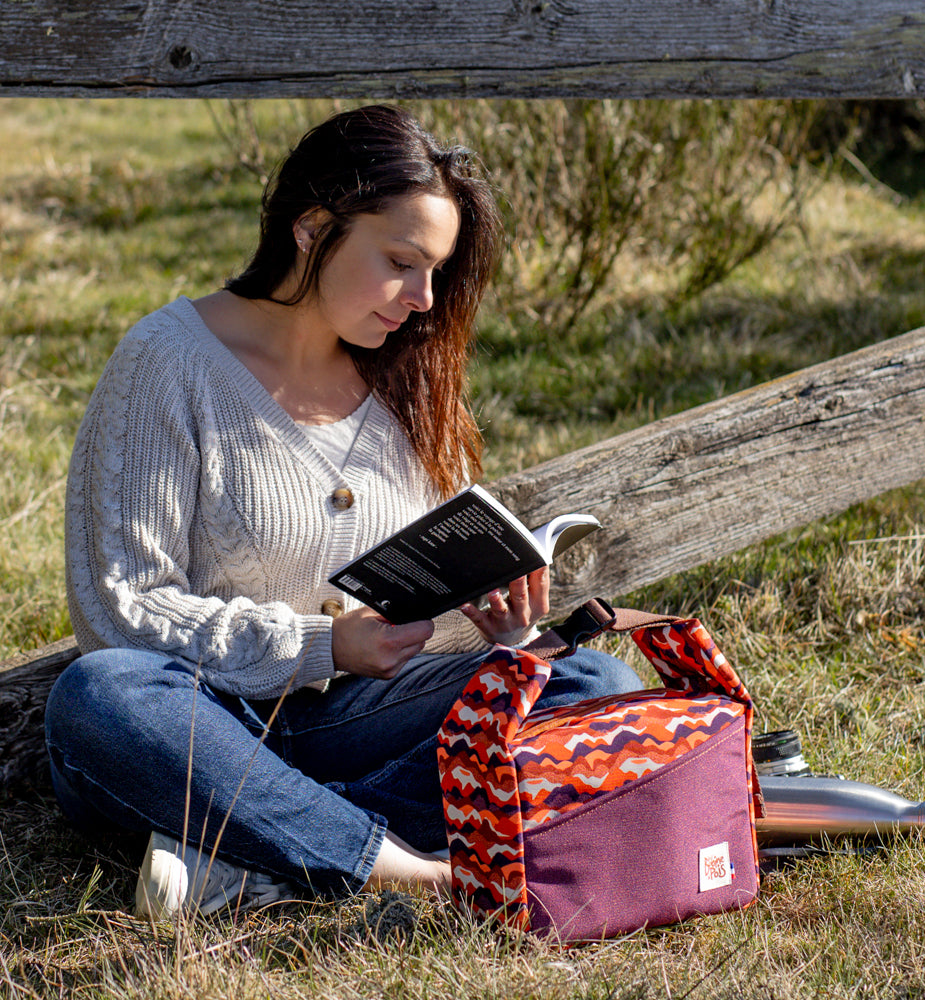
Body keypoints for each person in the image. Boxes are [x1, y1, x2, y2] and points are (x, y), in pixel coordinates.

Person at [44, 105, 642, 919]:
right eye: (401, 261)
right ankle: (407, 869)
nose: (424, 299)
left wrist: (502, 633)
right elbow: (124, 612)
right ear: (314, 226)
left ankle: (256, 852)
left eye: (436, 270)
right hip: (202, 722)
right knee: (101, 697)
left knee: (591, 682)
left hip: (359, 723)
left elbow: (433, 624)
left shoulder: (407, 382)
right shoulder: (167, 363)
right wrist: (327, 644)